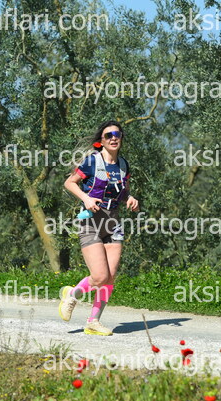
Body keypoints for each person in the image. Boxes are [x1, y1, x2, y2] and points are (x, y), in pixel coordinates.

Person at [59, 120, 139, 335]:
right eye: (108, 135)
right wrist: (86, 199)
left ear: (121, 139)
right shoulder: (91, 162)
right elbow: (69, 183)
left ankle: (93, 321)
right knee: (100, 276)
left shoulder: (123, 165)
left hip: (113, 223)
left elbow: (123, 192)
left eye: (117, 134)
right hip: (91, 222)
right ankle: (71, 295)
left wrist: (130, 198)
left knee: (109, 278)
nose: (113, 138)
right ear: (101, 141)